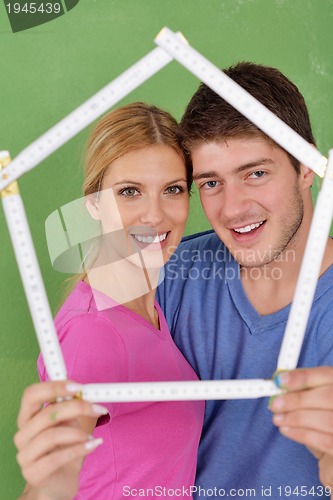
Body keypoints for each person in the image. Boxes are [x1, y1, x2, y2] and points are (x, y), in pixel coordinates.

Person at [157, 62, 333, 498]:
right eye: (212, 182)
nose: (233, 209)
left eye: (256, 173)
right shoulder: (170, 270)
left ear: (307, 166)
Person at [14, 102, 204, 499]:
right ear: (94, 204)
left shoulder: (145, 306)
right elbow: (51, 482)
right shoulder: (94, 333)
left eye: (172, 189)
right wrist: (52, 482)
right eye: (129, 192)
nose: (154, 214)